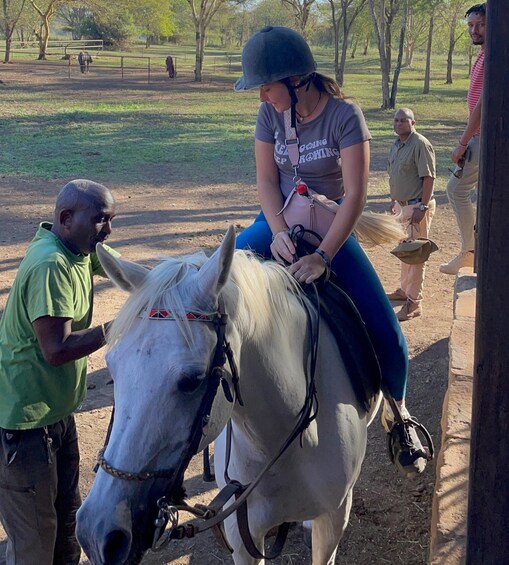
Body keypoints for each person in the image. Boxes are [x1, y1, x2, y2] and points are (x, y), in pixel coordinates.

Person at [234, 26, 430, 476]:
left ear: (295, 80)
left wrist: (323, 255)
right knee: (216, 279)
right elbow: (266, 181)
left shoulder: (345, 115)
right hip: (279, 221)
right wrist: (279, 232)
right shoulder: (269, 117)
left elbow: (357, 194)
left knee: (385, 328)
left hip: (332, 230)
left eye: (266, 86)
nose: (261, 96)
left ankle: (399, 414)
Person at [0, 179, 117, 564]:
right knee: (35, 541)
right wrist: (117, 327)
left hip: (56, 415)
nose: (108, 230)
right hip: (24, 426)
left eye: (110, 219)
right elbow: (57, 350)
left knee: (68, 520)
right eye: (100, 219)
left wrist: (171, 281)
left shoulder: (79, 249)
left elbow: (121, 268)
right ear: (66, 218)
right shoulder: (51, 264)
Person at [440, 3, 486, 275]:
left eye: (480, 24)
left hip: (480, 137)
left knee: (456, 191)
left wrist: (462, 141)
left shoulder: (494, 53)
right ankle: (471, 250)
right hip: (478, 135)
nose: (474, 30)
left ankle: (469, 252)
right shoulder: (482, 54)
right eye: (470, 25)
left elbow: (483, 103)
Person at [387, 108, 436, 321]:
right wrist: (394, 200)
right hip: (402, 206)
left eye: (403, 120)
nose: (399, 124)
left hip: (417, 206)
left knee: (416, 255)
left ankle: (414, 302)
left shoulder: (420, 144)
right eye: (396, 120)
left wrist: (423, 207)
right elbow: (397, 175)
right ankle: (405, 290)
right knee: (406, 251)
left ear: (413, 122)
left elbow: (429, 178)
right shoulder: (397, 145)